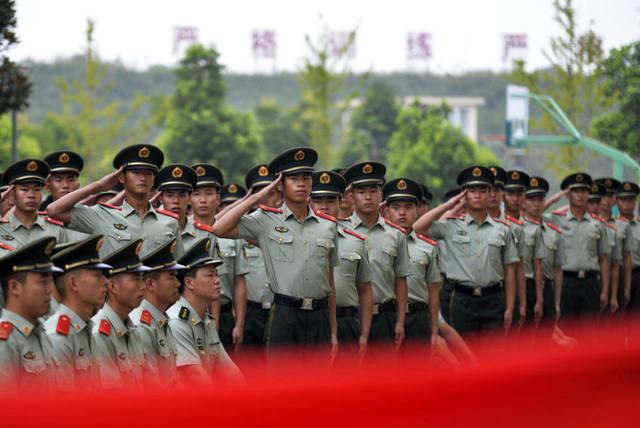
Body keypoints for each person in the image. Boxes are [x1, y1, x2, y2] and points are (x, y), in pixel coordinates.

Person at [212, 148, 339, 359]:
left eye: (306, 178)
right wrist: (256, 198)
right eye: (293, 178)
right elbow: (218, 228)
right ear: (280, 184)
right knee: (282, 382)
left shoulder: (327, 225)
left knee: (319, 385)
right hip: (285, 313)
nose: (301, 184)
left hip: (321, 315)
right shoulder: (266, 220)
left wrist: (333, 331)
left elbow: (330, 281)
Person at [413, 166, 518, 338]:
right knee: (464, 351)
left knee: (493, 355)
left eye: (483, 191)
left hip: (494, 299)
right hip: (462, 299)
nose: (477, 195)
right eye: (472, 191)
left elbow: (509, 271)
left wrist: (510, 308)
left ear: (490, 193)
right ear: (464, 195)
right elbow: (415, 229)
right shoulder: (451, 226)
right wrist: (447, 206)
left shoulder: (503, 229)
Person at [46, 144, 184, 258]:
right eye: (136, 172)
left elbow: (179, 267)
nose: (143, 178)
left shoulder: (169, 222)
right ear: (122, 178)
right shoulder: (102, 216)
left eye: (148, 173)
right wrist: (98, 186)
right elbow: (54, 210)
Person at [342, 162, 411, 350]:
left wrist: (400, 321)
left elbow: (400, 279)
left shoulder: (396, 234)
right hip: (350, 317)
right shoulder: (340, 230)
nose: (367, 197)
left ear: (381, 196)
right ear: (351, 195)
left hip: (384, 317)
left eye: (373, 191)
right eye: (361, 192)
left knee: (385, 375)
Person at [308, 170, 374, 357]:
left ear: (340, 203)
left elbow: (365, 290)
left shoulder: (356, 241)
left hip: (346, 322)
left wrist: (364, 334)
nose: (324, 207)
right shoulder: (299, 239)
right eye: (318, 201)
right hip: (313, 320)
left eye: (330, 201)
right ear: (309, 203)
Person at [543, 173, 610, 337]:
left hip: (591, 282)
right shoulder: (556, 219)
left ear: (588, 193)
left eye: (583, 191)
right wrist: (553, 201)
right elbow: (531, 214)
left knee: (590, 333)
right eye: (575, 191)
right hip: (566, 283)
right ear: (568, 194)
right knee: (565, 328)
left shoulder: (598, 224)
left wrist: (605, 290)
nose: (580, 195)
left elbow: (604, 259)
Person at [167, 238, 241, 386]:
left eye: (216, 275)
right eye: (210, 275)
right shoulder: (177, 321)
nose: (217, 280)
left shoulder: (205, 320)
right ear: (189, 283)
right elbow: (194, 376)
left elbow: (228, 368)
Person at [44, 234, 111, 392]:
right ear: (73, 283)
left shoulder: (84, 327)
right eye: (97, 275)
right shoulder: (59, 336)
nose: (105, 281)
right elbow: (65, 407)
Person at [382, 177, 441, 349]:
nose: (402, 213)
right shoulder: (377, 243)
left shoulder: (428, 247)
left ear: (417, 210)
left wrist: (434, 330)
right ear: (387, 211)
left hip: (418, 318)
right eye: (396, 207)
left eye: (408, 207)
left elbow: (433, 291)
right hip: (388, 316)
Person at [0, 236, 62, 392]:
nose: (49, 290)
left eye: (50, 281)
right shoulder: (5, 342)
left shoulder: (41, 334)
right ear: (14, 287)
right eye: (42, 282)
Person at [92, 239, 151, 390]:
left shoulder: (131, 329)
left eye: (142, 279)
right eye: (136, 279)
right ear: (113, 286)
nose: (143, 286)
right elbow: (113, 396)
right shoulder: (100, 333)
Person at [130, 238, 184, 388]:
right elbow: (152, 387)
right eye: (171, 277)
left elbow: (172, 379)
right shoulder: (142, 325)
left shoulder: (161, 320)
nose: (178, 284)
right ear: (150, 284)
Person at [237, 164, 280, 349]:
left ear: (280, 194)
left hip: (279, 310)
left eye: (270, 192)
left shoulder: (290, 227)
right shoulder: (243, 230)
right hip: (250, 312)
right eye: (259, 193)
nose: (265, 197)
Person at [504, 170, 547, 325]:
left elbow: (537, 266)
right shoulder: (496, 225)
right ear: (503, 195)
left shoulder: (531, 228)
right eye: (510, 194)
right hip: (500, 288)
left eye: (519, 194)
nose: (515, 199)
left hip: (526, 288)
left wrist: (539, 300)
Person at [0, 159, 67, 249]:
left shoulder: (56, 229)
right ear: (12, 194)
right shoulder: (2, 230)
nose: (31, 195)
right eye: (24, 189)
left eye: (37, 190)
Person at [595, 178, 633, 315]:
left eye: (610, 196)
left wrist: (627, 287)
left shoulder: (622, 225)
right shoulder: (591, 222)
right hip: (594, 278)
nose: (606, 200)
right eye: (603, 195)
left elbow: (626, 258)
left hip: (615, 277)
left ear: (615, 199)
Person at [615, 182, 640, 310]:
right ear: (616, 201)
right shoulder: (611, 225)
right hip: (617, 276)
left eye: (630, 200)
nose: (627, 204)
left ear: (635, 202)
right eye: (623, 200)